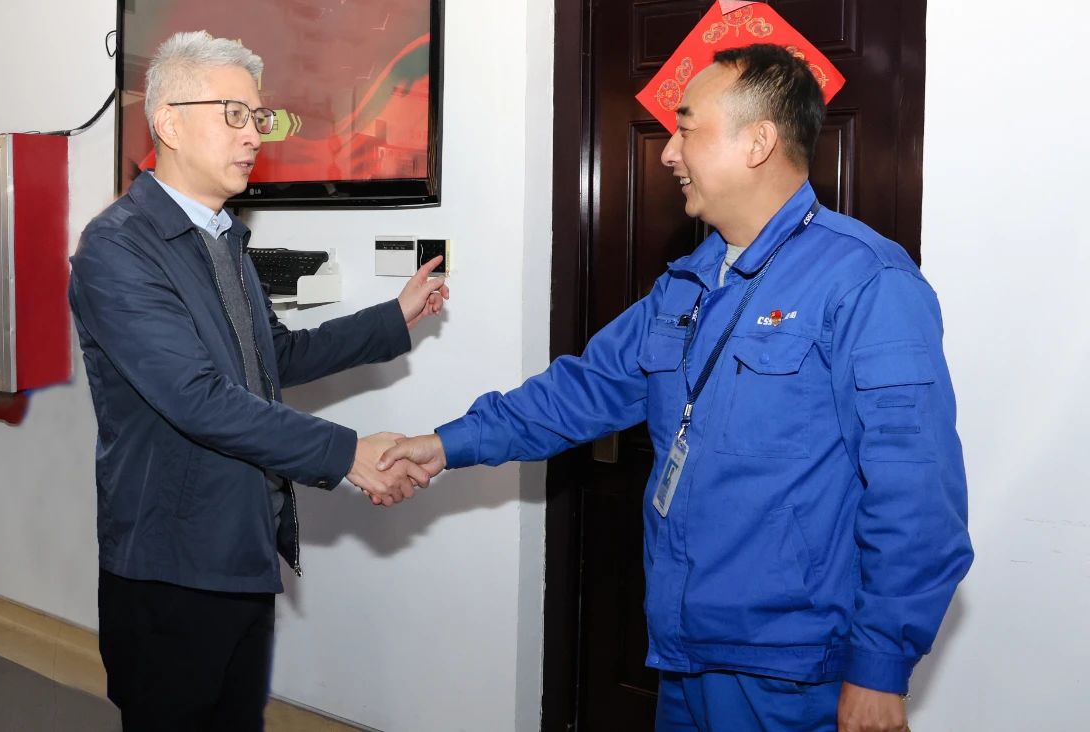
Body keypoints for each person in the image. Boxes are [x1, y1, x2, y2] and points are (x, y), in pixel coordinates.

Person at [380, 44, 971, 732]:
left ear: (758, 142)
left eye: (686, 129)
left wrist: (879, 668)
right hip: (685, 651)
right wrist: (443, 446)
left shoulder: (867, 282)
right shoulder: (688, 282)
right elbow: (580, 392)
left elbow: (916, 494)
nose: (667, 153)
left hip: (790, 670)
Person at [68, 30, 447, 731]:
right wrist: (348, 453)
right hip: (170, 564)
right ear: (169, 123)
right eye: (234, 115)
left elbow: (275, 355)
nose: (254, 136)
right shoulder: (118, 248)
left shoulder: (223, 237)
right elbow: (197, 398)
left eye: (258, 118)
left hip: (243, 545)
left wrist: (391, 318)